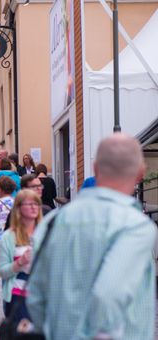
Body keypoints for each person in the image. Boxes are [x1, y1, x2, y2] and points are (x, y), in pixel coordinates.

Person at [27, 133, 156, 339]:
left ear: (95, 169)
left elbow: (35, 295)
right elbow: (108, 293)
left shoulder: (53, 221)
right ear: (140, 173)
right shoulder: (134, 226)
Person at [0, 189, 42, 325]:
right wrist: (19, 263)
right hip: (18, 298)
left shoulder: (46, 233)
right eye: (29, 204)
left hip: (43, 298)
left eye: (37, 203)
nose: (34, 207)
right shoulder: (9, 237)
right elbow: (2, 272)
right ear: (19, 208)